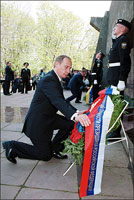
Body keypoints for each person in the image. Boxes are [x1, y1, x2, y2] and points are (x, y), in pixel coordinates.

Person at [2, 55, 91, 164]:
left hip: (49, 117)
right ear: (57, 64)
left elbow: (61, 101)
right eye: (66, 67)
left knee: (71, 124)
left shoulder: (55, 78)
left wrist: (76, 112)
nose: (68, 71)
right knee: (45, 155)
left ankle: (55, 148)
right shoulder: (48, 79)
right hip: (38, 122)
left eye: (70, 68)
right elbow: (57, 100)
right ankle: (12, 146)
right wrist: (75, 115)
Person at [107, 19, 131, 139]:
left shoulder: (123, 41)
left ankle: (116, 132)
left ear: (122, 29)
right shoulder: (118, 41)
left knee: (117, 105)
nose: (114, 28)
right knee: (112, 104)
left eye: (116, 26)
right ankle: (113, 128)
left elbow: (125, 61)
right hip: (113, 78)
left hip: (117, 79)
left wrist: (122, 79)